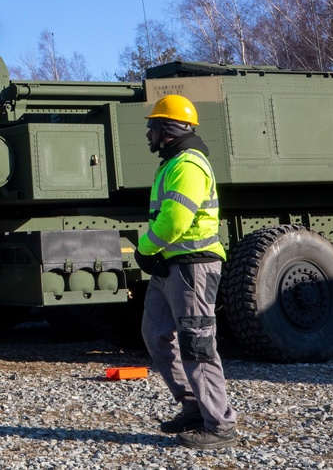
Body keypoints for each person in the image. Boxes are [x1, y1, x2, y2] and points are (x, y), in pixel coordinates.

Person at [135, 95, 239, 450]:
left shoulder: (188, 164)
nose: (148, 133)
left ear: (168, 129)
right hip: (171, 266)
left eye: (153, 126)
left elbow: (176, 219)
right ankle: (195, 406)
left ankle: (220, 425)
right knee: (155, 334)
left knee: (197, 345)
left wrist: (145, 249)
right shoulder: (172, 163)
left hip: (192, 266)